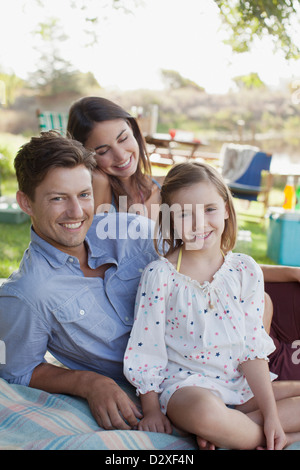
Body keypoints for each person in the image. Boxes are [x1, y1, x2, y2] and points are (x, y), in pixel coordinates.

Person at [124, 161, 300, 450]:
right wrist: (152, 409)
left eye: (210, 209)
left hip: (238, 385)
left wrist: (270, 415)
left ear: (227, 210)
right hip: (188, 388)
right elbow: (147, 347)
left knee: (270, 405)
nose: (200, 224)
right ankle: (239, 429)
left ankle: (241, 428)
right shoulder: (161, 276)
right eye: (184, 214)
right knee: (206, 413)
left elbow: (251, 349)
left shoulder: (245, 270)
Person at [0, 130, 159, 431]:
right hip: (176, 391)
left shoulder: (132, 230)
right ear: (26, 202)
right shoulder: (29, 294)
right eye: (58, 198)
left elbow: (206, 264)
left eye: (84, 195)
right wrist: (87, 382)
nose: (77, 212)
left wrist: (278, 275)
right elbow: (18, 370)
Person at [67, 96, 162, 219]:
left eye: (123, 139)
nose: (121, 156)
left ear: (131, 127)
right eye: (103, 151)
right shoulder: (99, 185)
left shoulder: (162, 188)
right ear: (85, 155)